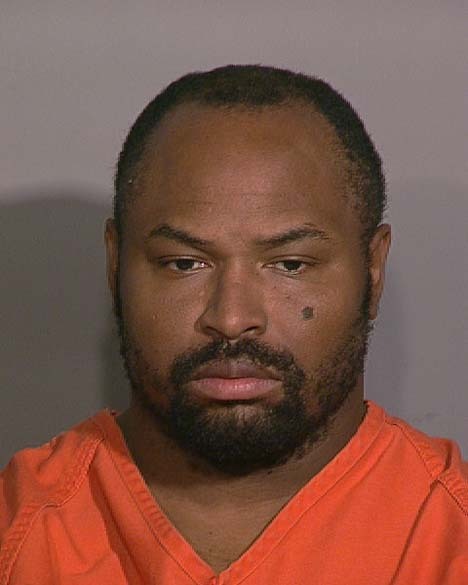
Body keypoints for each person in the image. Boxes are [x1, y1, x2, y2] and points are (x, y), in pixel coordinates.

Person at [0, 65, 466, 584]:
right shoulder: (19, 537)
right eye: (185, 263)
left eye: (291, 264)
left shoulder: (450, 538)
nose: (232, 318)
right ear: (115, 267)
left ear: (372, 271)